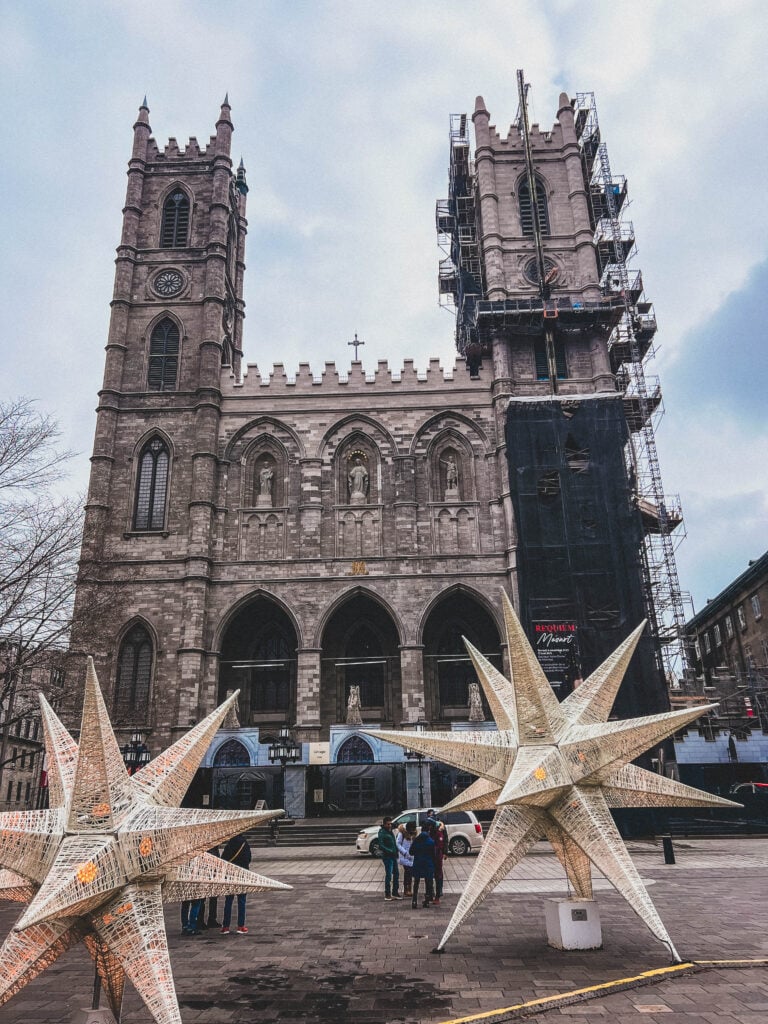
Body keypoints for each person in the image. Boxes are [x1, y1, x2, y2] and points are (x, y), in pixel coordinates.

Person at [220, 833, 252, 934]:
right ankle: (241, 926)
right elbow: (248, 858)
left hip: (230, 875)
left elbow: (223, 859)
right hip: (242, 875)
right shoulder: (244, 844)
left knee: (228, 901)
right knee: (241, 901)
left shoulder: (229, 844)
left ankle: (225, 927)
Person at [409, 821, 435, 909]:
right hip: (428, 864)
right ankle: (427, 901)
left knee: (416, 882)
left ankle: (414, 900)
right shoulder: (431, 841)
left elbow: (411, 852)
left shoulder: (416, 840)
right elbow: (433, 855)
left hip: (418, 863)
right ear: (428, 831)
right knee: (428, 882)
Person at [377, 817, 402, 901]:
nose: (389, 825)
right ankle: (387, 894)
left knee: (396, 874)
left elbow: (394, 842)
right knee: (388, 874)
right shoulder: (382, 832)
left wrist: (396, 850)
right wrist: (390, 850)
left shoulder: (390, 831)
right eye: (388, 824)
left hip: (393, 855)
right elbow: (381, 845)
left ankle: (395, 892)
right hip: (387, 856)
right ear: (384, 824)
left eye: (390, 823)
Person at [396, 821, 416, 897]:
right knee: (408, 872)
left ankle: (408, 889)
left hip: (411, 857)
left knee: (409, 873)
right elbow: (398, 844)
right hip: (404, 856)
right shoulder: (402, 833)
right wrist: (404, 852)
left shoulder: (413, 833)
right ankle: (406, 889)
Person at [430, 820, 446, 905]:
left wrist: (443, 853)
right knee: (431, 877)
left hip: (437, 859)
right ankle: (431, 894)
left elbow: (440, 846)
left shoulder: (439, 834)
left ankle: (437, 895)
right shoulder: (431, 834)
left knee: (438, 876)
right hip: (432, 858)